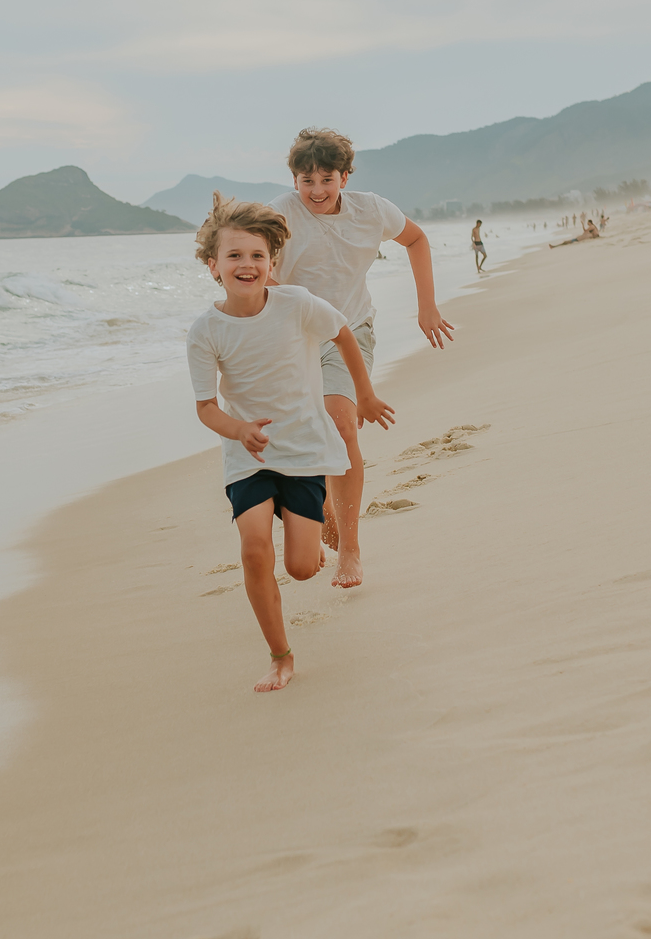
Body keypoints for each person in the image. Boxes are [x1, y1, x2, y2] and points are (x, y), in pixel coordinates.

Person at [186, 195, 394, 693]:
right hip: (248, 455)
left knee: (301, 569)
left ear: (272, 262)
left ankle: (312, 516)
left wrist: (363, 393)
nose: (247, 264)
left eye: (257, 255)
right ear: (212, 265)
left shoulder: (296, 304)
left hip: (303, 452)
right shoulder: (205, 332)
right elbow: (206, 407)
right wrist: (238, 430)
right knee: (255, 550)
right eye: (234, 255)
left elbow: (343, 333)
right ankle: (281, 656)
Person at [270, 127, 452, 590]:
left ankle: (350, 548)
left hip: (350, 331)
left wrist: (426, 305)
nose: (315, 190)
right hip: (290, 339)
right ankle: (324, 505)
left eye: (326, 179)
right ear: (294, 180)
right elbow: (253, 266)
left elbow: (416, 240)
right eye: (306, 180)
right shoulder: (278, 216)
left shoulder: (371, 210)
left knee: (340, 422)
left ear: (345, 177)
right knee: (300, 439)